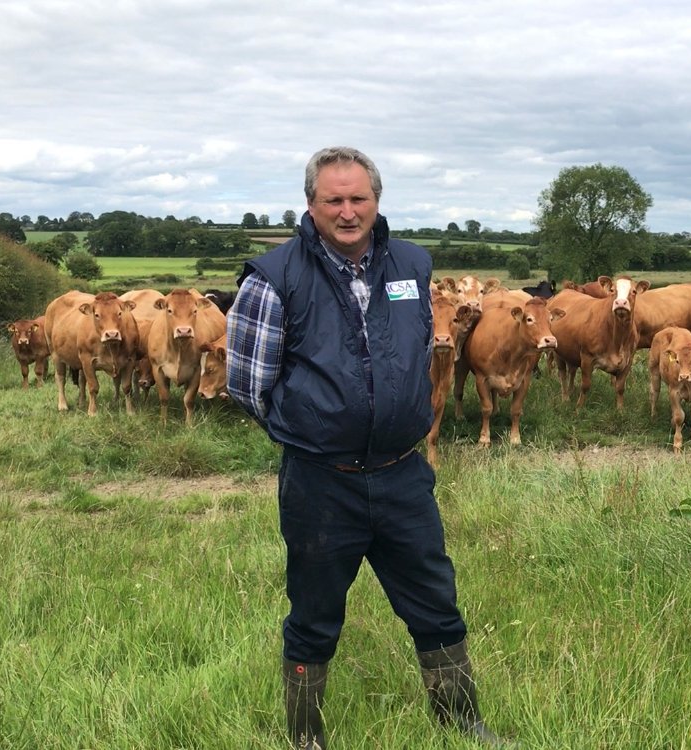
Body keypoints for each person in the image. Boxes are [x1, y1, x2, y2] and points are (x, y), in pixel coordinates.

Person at [226, 146, 506, 748]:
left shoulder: (412, 265)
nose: (348, 212)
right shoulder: (274, 277)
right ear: (311, 204)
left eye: (359, 199)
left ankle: (464, 727)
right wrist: (312, 430)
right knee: (314, 613)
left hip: (404, 474)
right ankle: (307, 739)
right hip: (321, 482)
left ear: (377, 202)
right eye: (334, 200)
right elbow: (247, 385)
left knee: (436, 603)